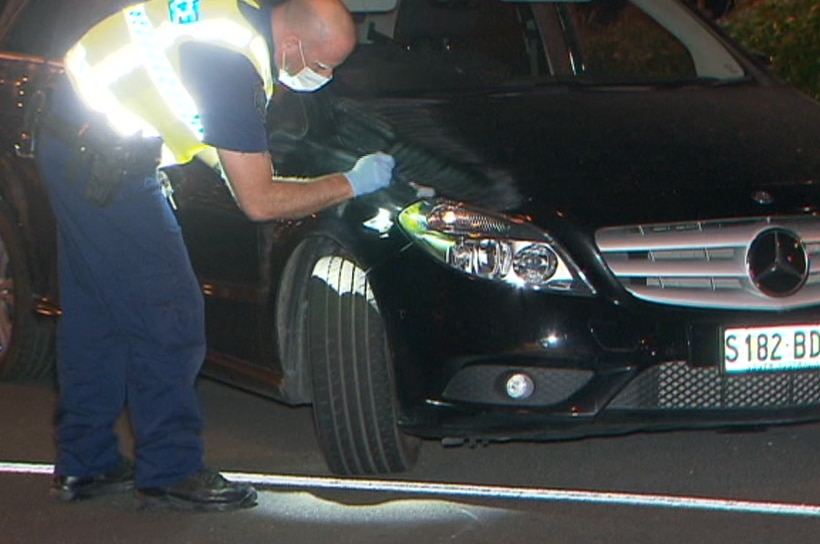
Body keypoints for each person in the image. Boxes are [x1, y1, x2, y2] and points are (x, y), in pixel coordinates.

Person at [34, 0, 396, 512]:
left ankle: (86, 463)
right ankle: (171, 469)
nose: (325, 76)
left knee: (98, 316)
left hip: (74, 143)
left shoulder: (233, 20)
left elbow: (207, 135)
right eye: (323, 64)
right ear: (292, 44)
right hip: (106, 168)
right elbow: (259, 201)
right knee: (172, 315)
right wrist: (349, 183)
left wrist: (268, 170)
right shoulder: (231, 63)